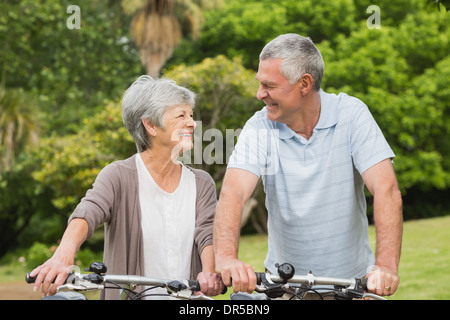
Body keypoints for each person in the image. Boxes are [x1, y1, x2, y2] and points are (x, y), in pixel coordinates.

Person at [213, 34, 403, 298]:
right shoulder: (259, 126)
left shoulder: (351, 114)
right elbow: (233, 194)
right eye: (260, 84)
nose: (259, 94)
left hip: (353, 287)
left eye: (269, 85)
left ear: (304, 83)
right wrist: (225, 258)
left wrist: (385, 266)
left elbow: (386, 190)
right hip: (285, 287)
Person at [30, 75, 224, 299]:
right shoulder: (118, 176)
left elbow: (207, 233)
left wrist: (208, 273)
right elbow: (88, 212)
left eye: (191, 115)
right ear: (150, 124)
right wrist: (63, 254)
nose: (191, 122)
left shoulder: (201, 182)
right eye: (181, 115)